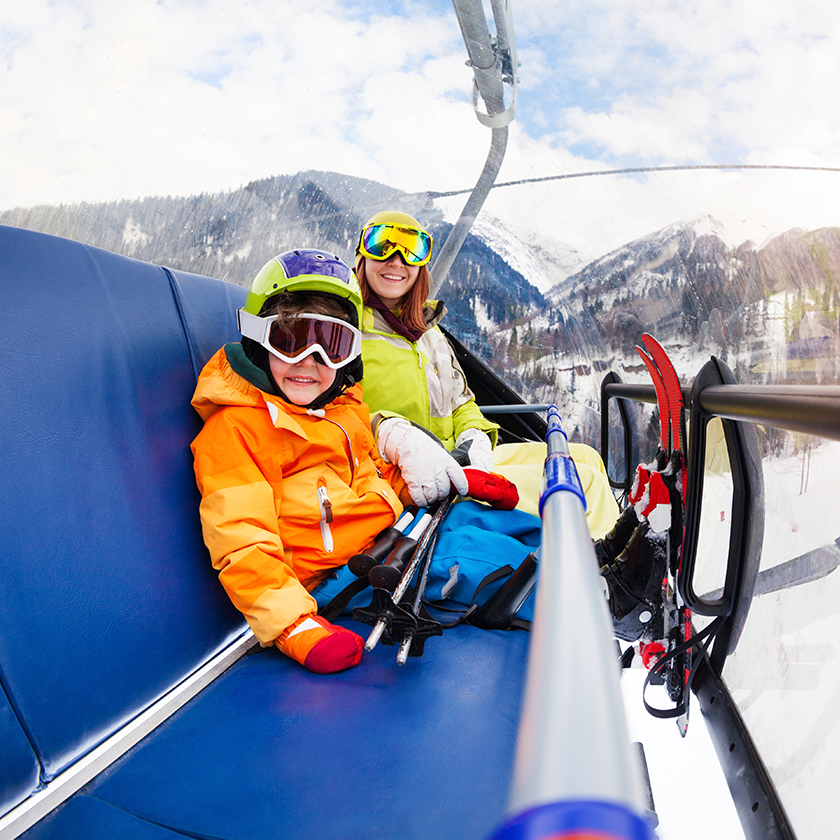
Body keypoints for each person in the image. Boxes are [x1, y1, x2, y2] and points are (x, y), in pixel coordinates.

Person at [190, 249, 470, 674]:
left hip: (394, 537)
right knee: (491, 563)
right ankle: (595, 595)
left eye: (332, 346)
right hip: (344, 577)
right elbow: (243, 541)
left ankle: (604, 563)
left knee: (498, 524)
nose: (309, 363)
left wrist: (432, 480)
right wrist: (295, 628)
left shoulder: (340, 411)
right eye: (290, 340)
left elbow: (368, 479)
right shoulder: (236, 433)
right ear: (257, 340)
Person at [353, 210, 620, 538]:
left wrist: (475, 437)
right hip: (414, 478)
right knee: (583, 482)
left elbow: (461, 401)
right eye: (381, 246)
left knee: (587, 457)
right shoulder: (349, 332)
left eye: (411, 250)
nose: (396, 261)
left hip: (459, 456)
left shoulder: (426, 333)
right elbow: (331, 412)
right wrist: (387, 432)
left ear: (421, 266)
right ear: (361, 257)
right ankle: (597, 577)